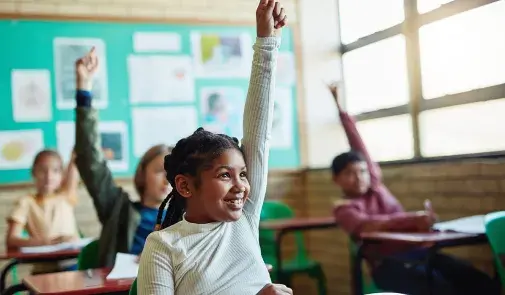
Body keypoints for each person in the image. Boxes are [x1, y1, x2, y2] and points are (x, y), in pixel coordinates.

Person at [137, 1, 291, 294]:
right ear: (185, 186)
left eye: (243, 174)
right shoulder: (163, 246)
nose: (241, 187)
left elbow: (259, 135)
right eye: (224, 175)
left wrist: (267, 42)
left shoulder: (244, 217)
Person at [328, 83, 498, 295]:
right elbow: (369, 226)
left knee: (478, 282)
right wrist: (412, 219)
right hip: (389, 266)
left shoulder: (374, 184)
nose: (358, 178)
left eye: (362, 171)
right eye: (349, 173)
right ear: (336, 179)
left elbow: (358, 145)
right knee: (444, 289)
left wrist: (341, 109)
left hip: (420, 253)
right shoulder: (344, 209)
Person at [74, 48, 172, 267]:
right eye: (159, 171)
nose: (168, 180)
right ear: (142, 174)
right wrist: (84, 89)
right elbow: (90, 159)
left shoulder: (186, 217)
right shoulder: (118, 210)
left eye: (173, 174)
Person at [6, 150, 80, 274]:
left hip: (72, 266)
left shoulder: (66, 196)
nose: (49, 176)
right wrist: (49, 242)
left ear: (62, 175)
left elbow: (74, 163)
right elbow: (11, 240)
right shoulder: (26, 202)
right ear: (33, 173)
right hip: (43, 272)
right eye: (42, 170)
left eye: (55, 171)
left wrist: (75, 154)